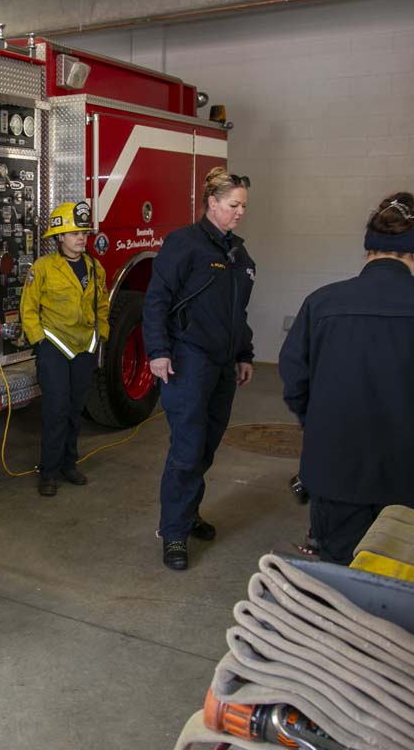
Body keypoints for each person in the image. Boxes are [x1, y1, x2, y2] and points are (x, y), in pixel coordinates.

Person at [278, 192, 414, 565]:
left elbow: (294, 378)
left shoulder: (321, 303)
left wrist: (317, 420)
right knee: (399, 569)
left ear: (368, 249)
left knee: (337, 570)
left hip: (334, 466)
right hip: (410, 469)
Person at [143, 167, 256, 571]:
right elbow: (156, 299)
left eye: (243, 205)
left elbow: (237, 314)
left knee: (205, 448)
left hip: (224, 366)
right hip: (189, 362)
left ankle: (187, 514)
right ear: (212, 203)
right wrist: (158, 350)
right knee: (187, 451)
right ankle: (173, 533)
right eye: (233, 205)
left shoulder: (239, 256)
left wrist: (244, 353)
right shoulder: (185, 245)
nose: (240, 212)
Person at [20, 201, 109, 497]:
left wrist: (102, 334)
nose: (81, 238)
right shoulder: (43, 268)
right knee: (56, 410)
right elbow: (28, 309)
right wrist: (40, 342)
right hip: (54, 348)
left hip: (84, 347)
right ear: (59, 237)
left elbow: (102, 306)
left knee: (74, 409)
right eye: (73, 233)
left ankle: (69, 464)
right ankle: (48, 471)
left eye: (83, 232)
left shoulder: (95, 268)